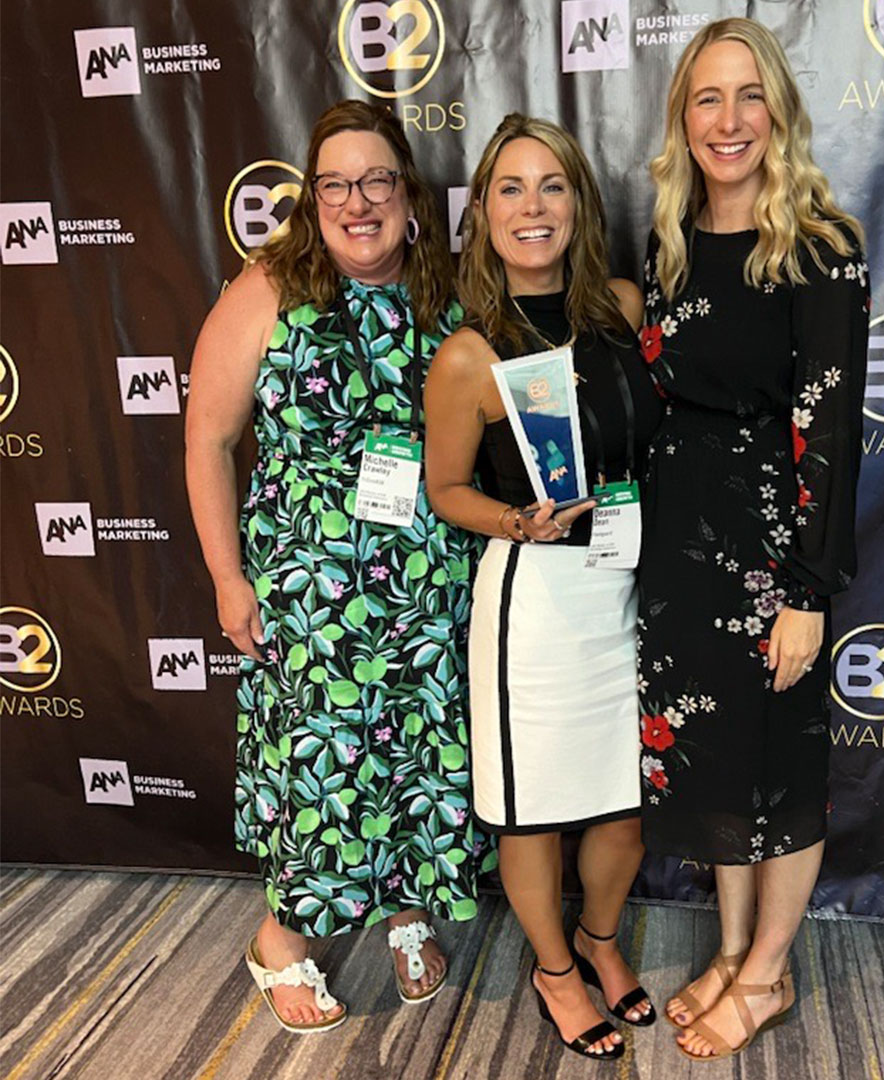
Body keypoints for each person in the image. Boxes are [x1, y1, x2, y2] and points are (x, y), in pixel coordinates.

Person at [185, 100, 485, 1033]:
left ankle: (403, 910)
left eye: (377, 180)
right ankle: (280, 937)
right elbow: (207, 438)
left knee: (419, 755)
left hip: (430, 584)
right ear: (312, 200)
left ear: (408, 192)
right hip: (311, 592)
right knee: (322, 769)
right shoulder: (267, 289)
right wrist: (229, 580)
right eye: (335, 184)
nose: (358, 202)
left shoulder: (450, 290)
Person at [635, 18, 870, 1060]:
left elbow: (829, 432)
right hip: (678, 552)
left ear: (777, 110)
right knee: (721, 765)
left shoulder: (820, 250)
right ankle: (731, 949)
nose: (728, 121)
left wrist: (809, 589)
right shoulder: (670, 242)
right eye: (706, 99)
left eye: (747, 96)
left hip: (771, 563)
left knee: (781, 769)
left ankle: (769, 974)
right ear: (682, 120)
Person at [424, 114, 664, 1061]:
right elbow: (446, 489)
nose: (534, 208)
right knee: (533, 811)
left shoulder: (622, 308)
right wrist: (511, 519)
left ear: (579, 202)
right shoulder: (468, 355)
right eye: (512, 190)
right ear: (482, 213)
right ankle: (555, 971)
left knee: (625, 804)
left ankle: (600, 943)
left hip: (627, 589)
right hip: (534, 606)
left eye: (552, 187)